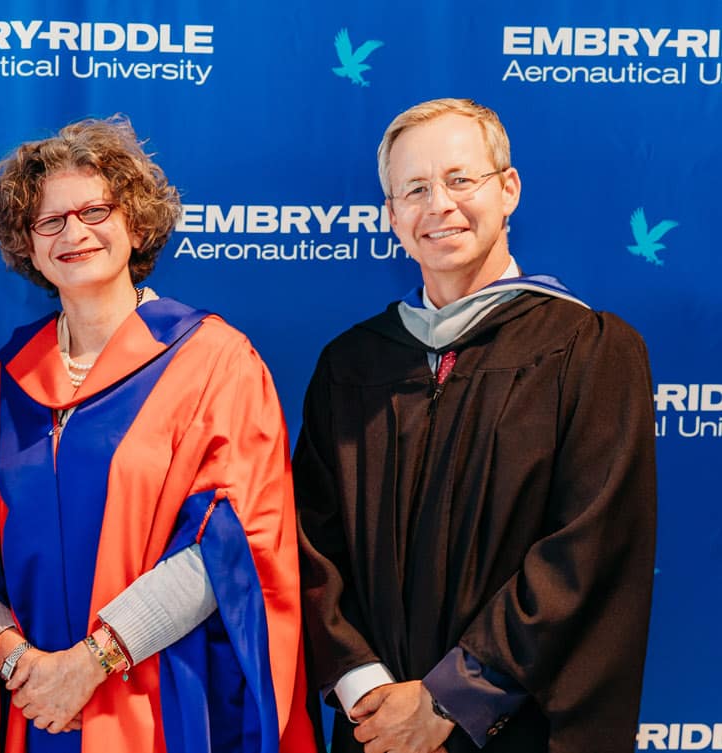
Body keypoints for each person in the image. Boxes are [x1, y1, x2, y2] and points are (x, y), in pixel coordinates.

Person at [293, 98, 657, 753]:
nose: (440, 205)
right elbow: (309, 546)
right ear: (392, 216)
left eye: (461, 179)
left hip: (520, 729)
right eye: (415, 189)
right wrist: (365, 688)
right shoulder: (351, 366)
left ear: (508, 189)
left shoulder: (589, 350)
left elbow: (586, 552)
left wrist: (447, 698)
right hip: (374, 732)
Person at [0, 117, 317, 753]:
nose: (74, 232)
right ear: (28, 244)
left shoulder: (214, 361)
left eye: (95, 210)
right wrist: (17, 660)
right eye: (49, 221)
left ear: (135, 220)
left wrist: (93, 660)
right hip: (35, 708)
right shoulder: (0, 382)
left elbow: (233, 549)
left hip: (164, 703)